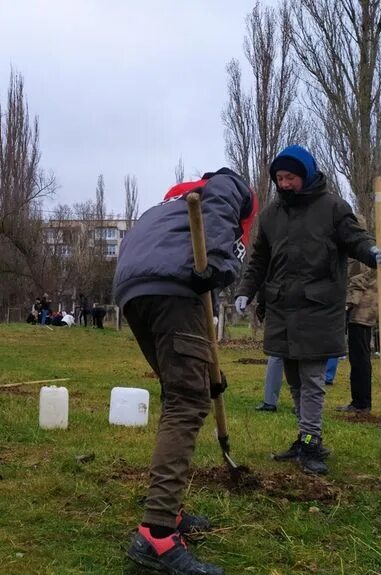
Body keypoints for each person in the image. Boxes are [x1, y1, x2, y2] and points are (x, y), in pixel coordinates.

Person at [114, 168, 257, 575]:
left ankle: (170, 513)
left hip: (133, 289)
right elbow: (224, 204)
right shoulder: (228, 185)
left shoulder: (167, 206)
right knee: (185, 402)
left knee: (179, 390)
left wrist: (207, 371)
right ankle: (157, 533)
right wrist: (214, 262)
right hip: (171, 288)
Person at [235, 145, 381, 475]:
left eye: (290, 177)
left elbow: (356, 240)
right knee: (294, 379)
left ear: (305, 175)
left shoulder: (333, 208)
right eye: (279, 178)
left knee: (311, 378)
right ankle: (306, 439)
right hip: (281, 308)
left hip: (318, 307)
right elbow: (259, 261)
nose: (284, 184)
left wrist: (374, 253)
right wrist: (245, 291)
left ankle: (311, 441)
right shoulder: (270, 216)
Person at [337, 261, 381, 414]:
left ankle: (361, 403)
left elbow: (358, 279)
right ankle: (359, 401)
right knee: (358, 357)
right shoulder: (367, 253)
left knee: (359, 357)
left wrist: (348, 303)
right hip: (363, 309)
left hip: (362, 310)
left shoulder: (360, 256)